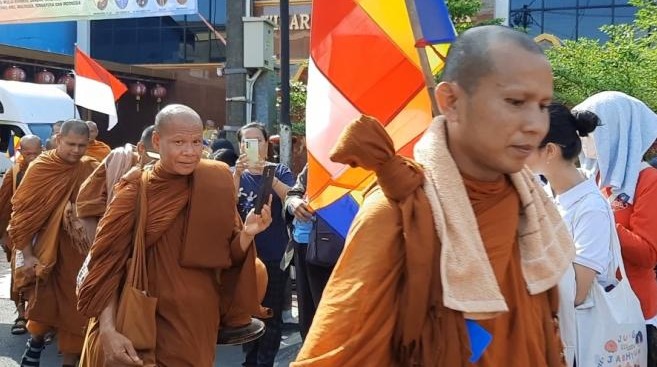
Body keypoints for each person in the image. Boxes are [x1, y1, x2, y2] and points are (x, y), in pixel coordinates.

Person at [293, 25, 574, 367]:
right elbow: (335, 356)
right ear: (451, 102)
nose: (535, 125)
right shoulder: (400, 212)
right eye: (515, 102)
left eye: (543, 105)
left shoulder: (532, 210)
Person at [77, 104, 272, 366]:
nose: (189, 152)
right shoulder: (136, 188)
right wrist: (108, 330)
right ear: (157, 140)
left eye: (196, 142)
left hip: (196, 324)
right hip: (142, 320)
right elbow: (104, 266)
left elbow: (228, 256)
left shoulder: (214, 182)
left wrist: (248, 234)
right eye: (179, 142)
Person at [573, 91, 657, 365]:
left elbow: (648, 254)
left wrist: (600, 217)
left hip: (633, 310)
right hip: (594, 307)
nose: (582, 138)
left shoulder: (647, 180)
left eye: (589, 130)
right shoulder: (593, 177)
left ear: (619, 131)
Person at [526, 103, 612, 366]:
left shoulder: (591, 208)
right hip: (558, 333)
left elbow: (577, 291)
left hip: (581, 339)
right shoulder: (550, 194)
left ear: (549, 150)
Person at [9, 120, 98, 367]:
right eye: (71, 144)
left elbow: (103, 205)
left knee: (76, 307)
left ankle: (70, 360)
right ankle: (35, 342)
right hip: (47, 250)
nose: (76, 150)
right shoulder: (42, 167)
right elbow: (22, 214)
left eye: (82, 145)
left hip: (78, 253)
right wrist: (27, 256)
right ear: (58, 140)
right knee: (44, 302)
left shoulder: (90, 167)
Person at [234, 122, 295, 367]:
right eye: (246, 141)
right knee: (245, 313)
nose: (252, 146)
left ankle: (264, 363)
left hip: (273, 254)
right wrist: (237, 174)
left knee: (270, 315)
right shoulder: (232, 173)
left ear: (266, 145)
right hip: (243, 254)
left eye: (257, 140)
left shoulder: (279, 170)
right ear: (240, 146)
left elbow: (292, 197)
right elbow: (222, 204)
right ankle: (250, 361)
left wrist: (268, 174)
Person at [283, 164, 335, 340]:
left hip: (341, 250)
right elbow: (293, 194)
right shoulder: (318, 160)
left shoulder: (362, 165)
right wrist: (294, 204)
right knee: (308, 319)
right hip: (304, 245)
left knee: (331, 323)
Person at [0, 135, 42, 335]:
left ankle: (40, 317)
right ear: (21, 152)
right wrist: (3, 234)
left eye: (36, 153)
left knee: (43, 273)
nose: (32, 157)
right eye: (27, 153)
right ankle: (20, 314)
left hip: (45, 231)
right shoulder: (14, 172)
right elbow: (4, 204)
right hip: (19, 231)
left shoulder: (49, 170)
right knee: (19, 274)